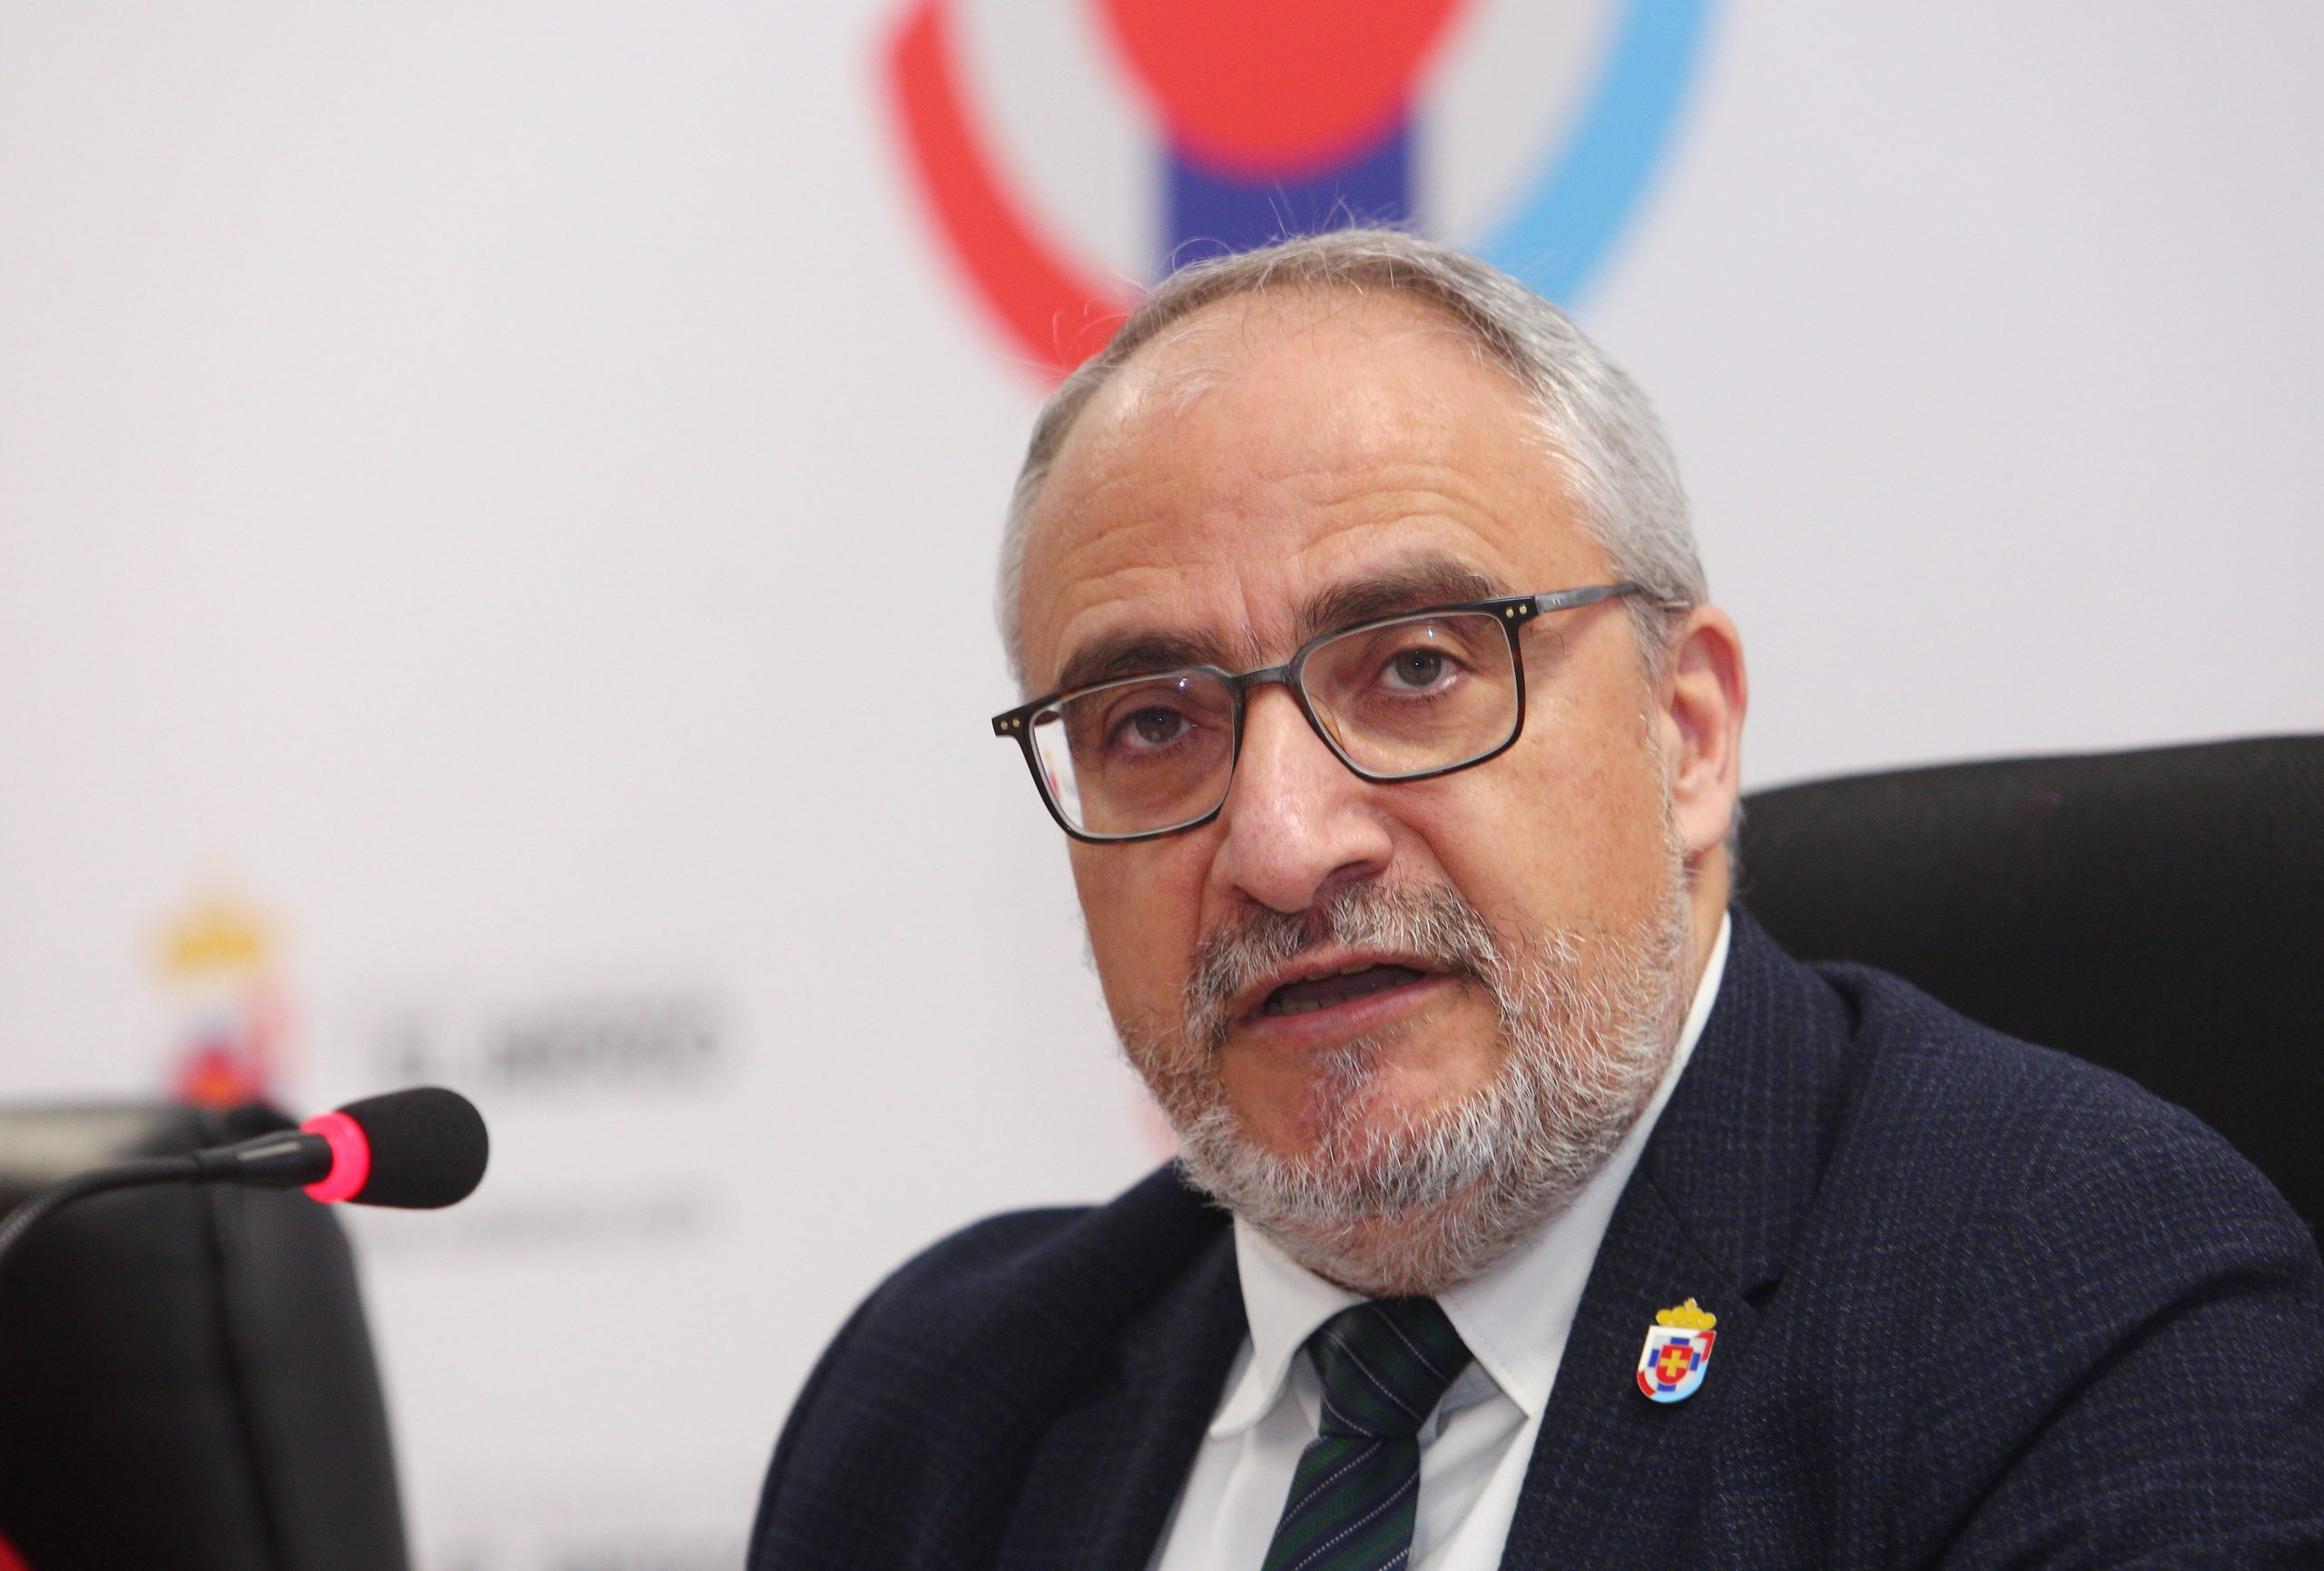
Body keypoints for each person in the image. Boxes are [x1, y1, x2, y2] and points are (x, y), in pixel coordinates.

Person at [748, 230, 2324, 1569]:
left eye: (1419, 666)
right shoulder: (944, 1405)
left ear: (1685, 730)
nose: (1285, 845)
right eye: (1152, 724)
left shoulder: (2074, 1305)